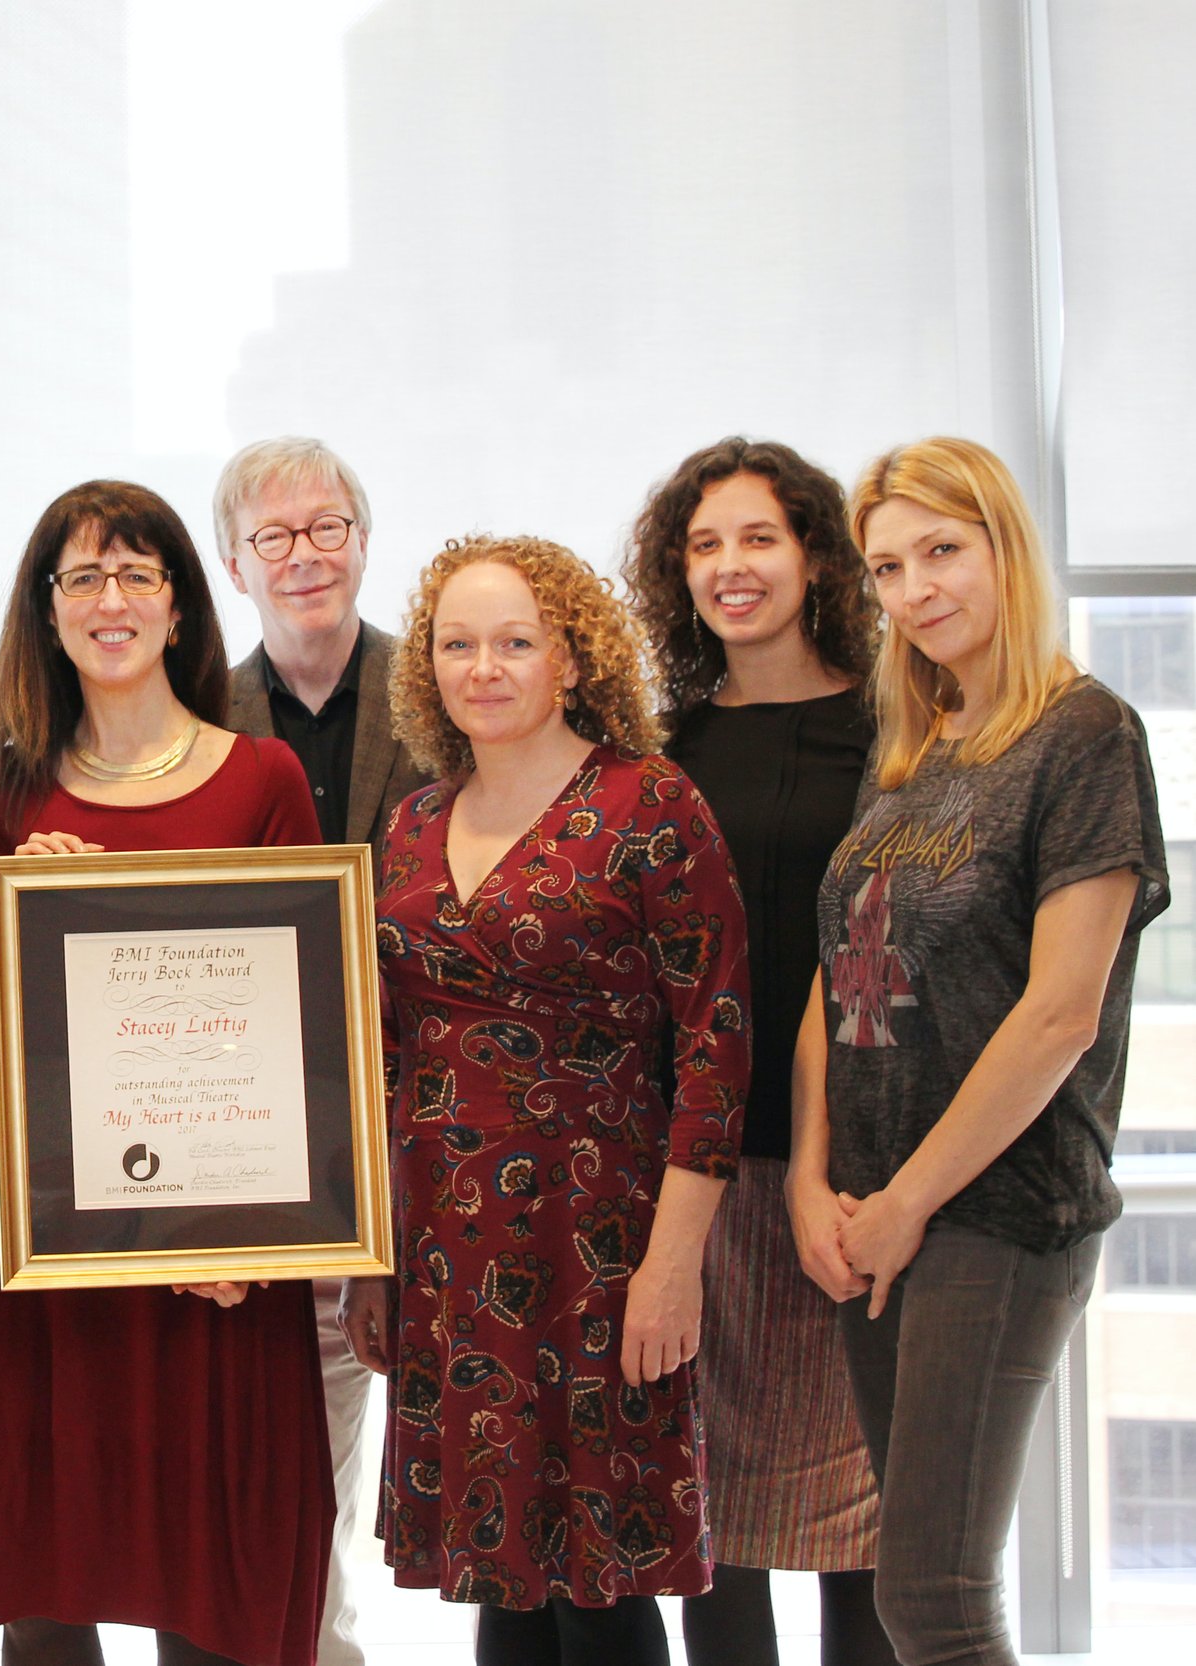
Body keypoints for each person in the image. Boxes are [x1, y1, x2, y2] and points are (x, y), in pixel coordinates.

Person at [0, 480, 333, 1666]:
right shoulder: (6, 782)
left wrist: (254, 1229)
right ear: (46, 612)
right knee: (47, 1570)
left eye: (137, 574)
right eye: (82, 577)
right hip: (41, 1218)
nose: (111, 601)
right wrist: (40, 916)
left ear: (179, 604)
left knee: (217, 1577)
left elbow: (303, 1025)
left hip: (215, 1227)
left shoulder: (262, 778)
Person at [806, 437, 1168, 1666]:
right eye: (887, 568)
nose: (915, 592)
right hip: (874, 1212)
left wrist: (908, 1201)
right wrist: (816, 1181)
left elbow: (1062, 1012)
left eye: (942, 552)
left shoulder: (1084, 736)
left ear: (1005, 546)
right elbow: (835, 972)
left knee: (934, 1595)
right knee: (913, 1586)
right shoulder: (915, 750)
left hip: (995, 1213)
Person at [355, 535, 747, 1666]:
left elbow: (716, 1049)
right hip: (447, 1254)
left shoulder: (650, 802)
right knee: (504, 1579)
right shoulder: (414, 822)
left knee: (599, 1581)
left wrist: (672, 1266)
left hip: (600, 1249)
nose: (484, 666)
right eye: (456, 643)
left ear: (570, 659)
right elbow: (388, 1051)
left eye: (515, 642)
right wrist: (373, 1260)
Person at [622, 439, 893, 1666]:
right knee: (708, 1525)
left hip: (857, 1178)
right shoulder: (656, 750)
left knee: (869, 1536)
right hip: (699, 1176)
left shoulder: (899, 730)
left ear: (815, 557)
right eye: (703, 544)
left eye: (758, 538)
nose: (731, 567)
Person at [212, 436, 425, 1666]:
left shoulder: (446, 689)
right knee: (293, 1463)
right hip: (269, 1141)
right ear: (236, 563)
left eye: (328, 525)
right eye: (276, 536)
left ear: (362, 536)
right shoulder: (199, 717)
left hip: (441, 1129)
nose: (307, 555)